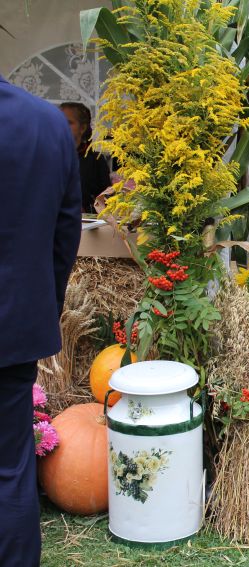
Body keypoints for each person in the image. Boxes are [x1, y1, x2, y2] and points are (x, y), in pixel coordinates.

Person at [0, 76, 82, 566]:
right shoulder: (47, 123)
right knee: (9, 469)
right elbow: (65, 230)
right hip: (14, 325)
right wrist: (41, 306)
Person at [60, 102, 111, 214]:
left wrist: (87, 209)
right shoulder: (49, 156)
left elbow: (106, 199)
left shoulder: (95, 160)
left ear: (82, 128)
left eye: (68, 122)